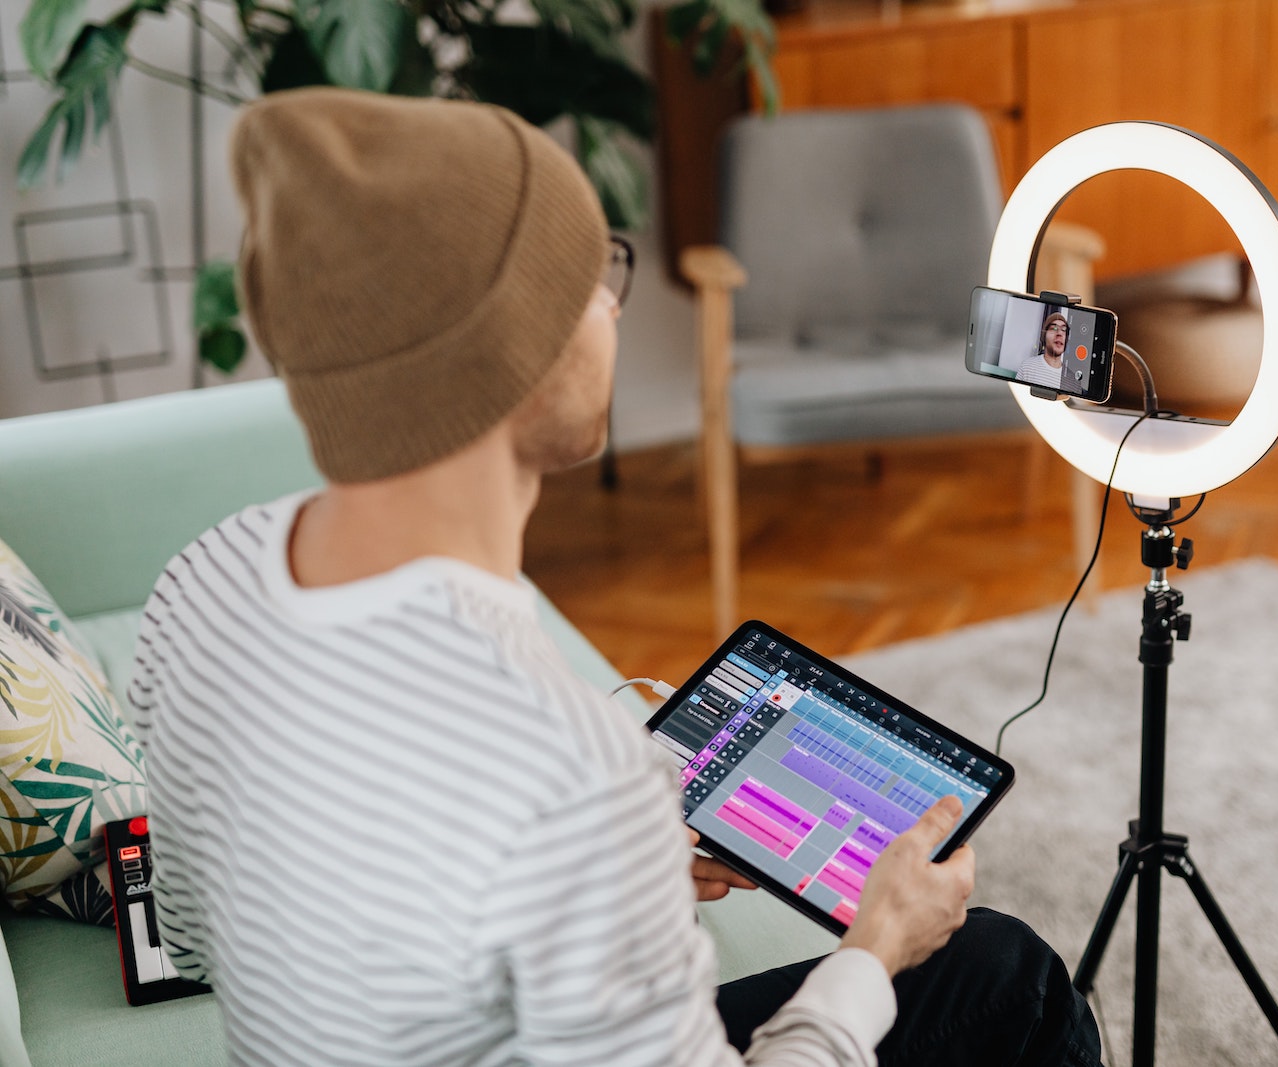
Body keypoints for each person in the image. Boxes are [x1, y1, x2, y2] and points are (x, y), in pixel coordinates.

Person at [126, 88, 1102, 1067]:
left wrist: (589, 897)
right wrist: (875, 943)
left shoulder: (203, 576)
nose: (609, 306)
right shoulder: (574, 769)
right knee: (1004, 971)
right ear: (513, 350)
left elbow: (193, 922)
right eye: (590, 276)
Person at [1014, 312, 1069, 389]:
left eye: (1064, 330)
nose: (1059, 333)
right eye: (1054, 328)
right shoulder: (1027, 366)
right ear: (1044, 336)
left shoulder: (1072, 379)